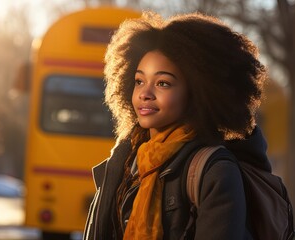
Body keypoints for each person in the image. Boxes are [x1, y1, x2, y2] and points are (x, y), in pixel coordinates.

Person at [83, 10, 268, 240]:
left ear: (197, 92)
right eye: (139, 81)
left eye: (163, 83)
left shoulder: (215, 171)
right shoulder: (125, 160)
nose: (145, 94)